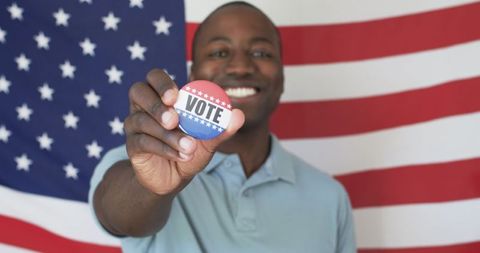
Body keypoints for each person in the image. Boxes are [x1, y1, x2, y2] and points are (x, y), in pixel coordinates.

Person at [89, 1, 356, 252]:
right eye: (219, 52)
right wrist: (150, 188)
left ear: (282, 78)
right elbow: (117, 217)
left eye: (260, 52)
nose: (240, 67)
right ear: (194, 76)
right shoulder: (141, 161)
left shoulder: (330, 197)